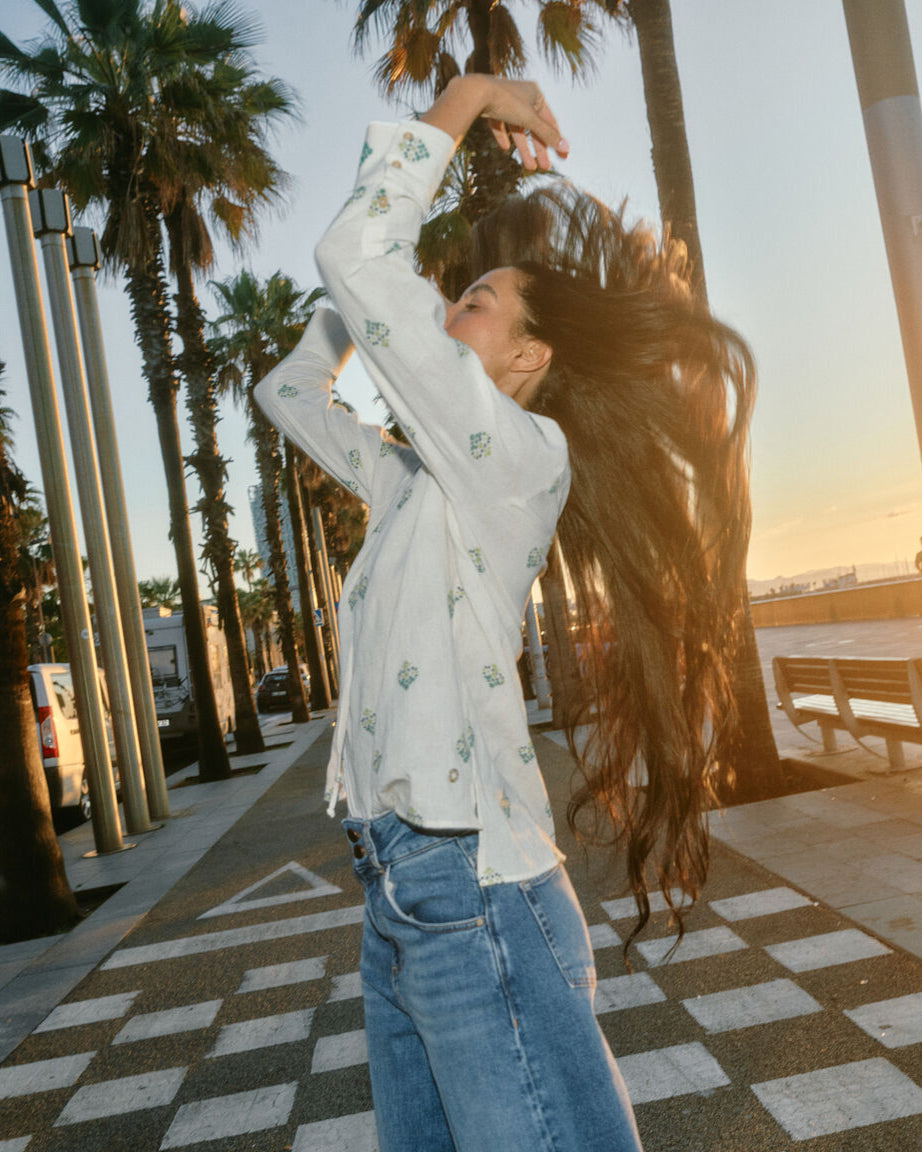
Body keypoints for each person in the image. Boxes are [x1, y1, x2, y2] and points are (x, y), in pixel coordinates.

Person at [256, 74, 753, 1152]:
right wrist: (354, 316)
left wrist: (471, 92)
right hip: (396, 890)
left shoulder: (521, 460)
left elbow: (357, 253)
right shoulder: (412, 482)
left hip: (469, 885)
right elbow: (287, 394)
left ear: (530, 356)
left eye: (474, 302)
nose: (446, 313)